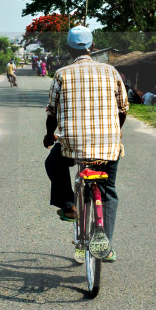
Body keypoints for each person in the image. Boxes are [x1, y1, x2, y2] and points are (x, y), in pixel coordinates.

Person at [43, 25, 128, 262]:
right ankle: (106, 244)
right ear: (92, 47)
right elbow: (123, 110)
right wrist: (114, 133)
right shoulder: (111, 72)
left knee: (54, 164)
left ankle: (69, 204)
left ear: (69, 48)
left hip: (73, 145)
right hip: (108, 146)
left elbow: (52, 113)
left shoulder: (62, 74)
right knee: (108, 190)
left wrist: (50, 136)